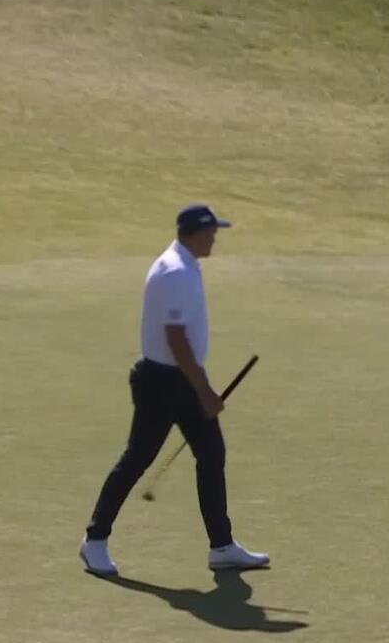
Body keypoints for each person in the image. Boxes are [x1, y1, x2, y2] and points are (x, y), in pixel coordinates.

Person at [80, 204, 269, 576]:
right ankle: (94, 541)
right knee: (137, 458)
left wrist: (197, 387)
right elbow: (176, 339)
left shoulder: (185, 265)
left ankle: (222, 546)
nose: (215, 238)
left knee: (211, 454)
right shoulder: (175, 272)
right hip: (162, 382)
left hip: (180, 378)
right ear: (194, 232)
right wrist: (205, 391)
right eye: (211, 232)